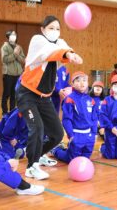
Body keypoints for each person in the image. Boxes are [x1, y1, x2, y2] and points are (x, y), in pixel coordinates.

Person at [16, 15, 83, 180]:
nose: (55, 31)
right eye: (51, 28)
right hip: (27, 94)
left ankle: (37, 154)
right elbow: (50, 53)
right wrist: (67, 53)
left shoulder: (59, 42)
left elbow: (65, 47)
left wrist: (72, 54)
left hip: (44, 97)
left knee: (57, 134)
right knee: (37, 128)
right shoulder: (37, 40)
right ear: (42, 29)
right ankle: (32, 166)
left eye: (58, 29)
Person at [52, 71, 98, 163]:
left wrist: (94, 133)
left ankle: (66, 149)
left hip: (89, 136)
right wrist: (71, 135)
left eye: (84, 80)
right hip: (77, 135)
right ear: (72, 84)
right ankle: (56, 151)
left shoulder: (91, 100)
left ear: (87, 83)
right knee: (72, 159)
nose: (82, 83)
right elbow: (66, 119)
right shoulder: (70, 99)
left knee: (85, 159)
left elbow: (94, 118)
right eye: (78, 80)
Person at [1, 30, 25, 116]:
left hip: (17, 75)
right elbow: (5, 59)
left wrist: (17, 55)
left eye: (15, 35)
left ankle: (12, 111)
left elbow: (23, 60)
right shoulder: (5, 47)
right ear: (8, 36)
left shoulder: (19, 47)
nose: (14, 36)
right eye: (12, 35)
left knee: (14, 95)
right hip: (8, 74)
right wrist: (14, 54)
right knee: (6, 93)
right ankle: (4, 111)